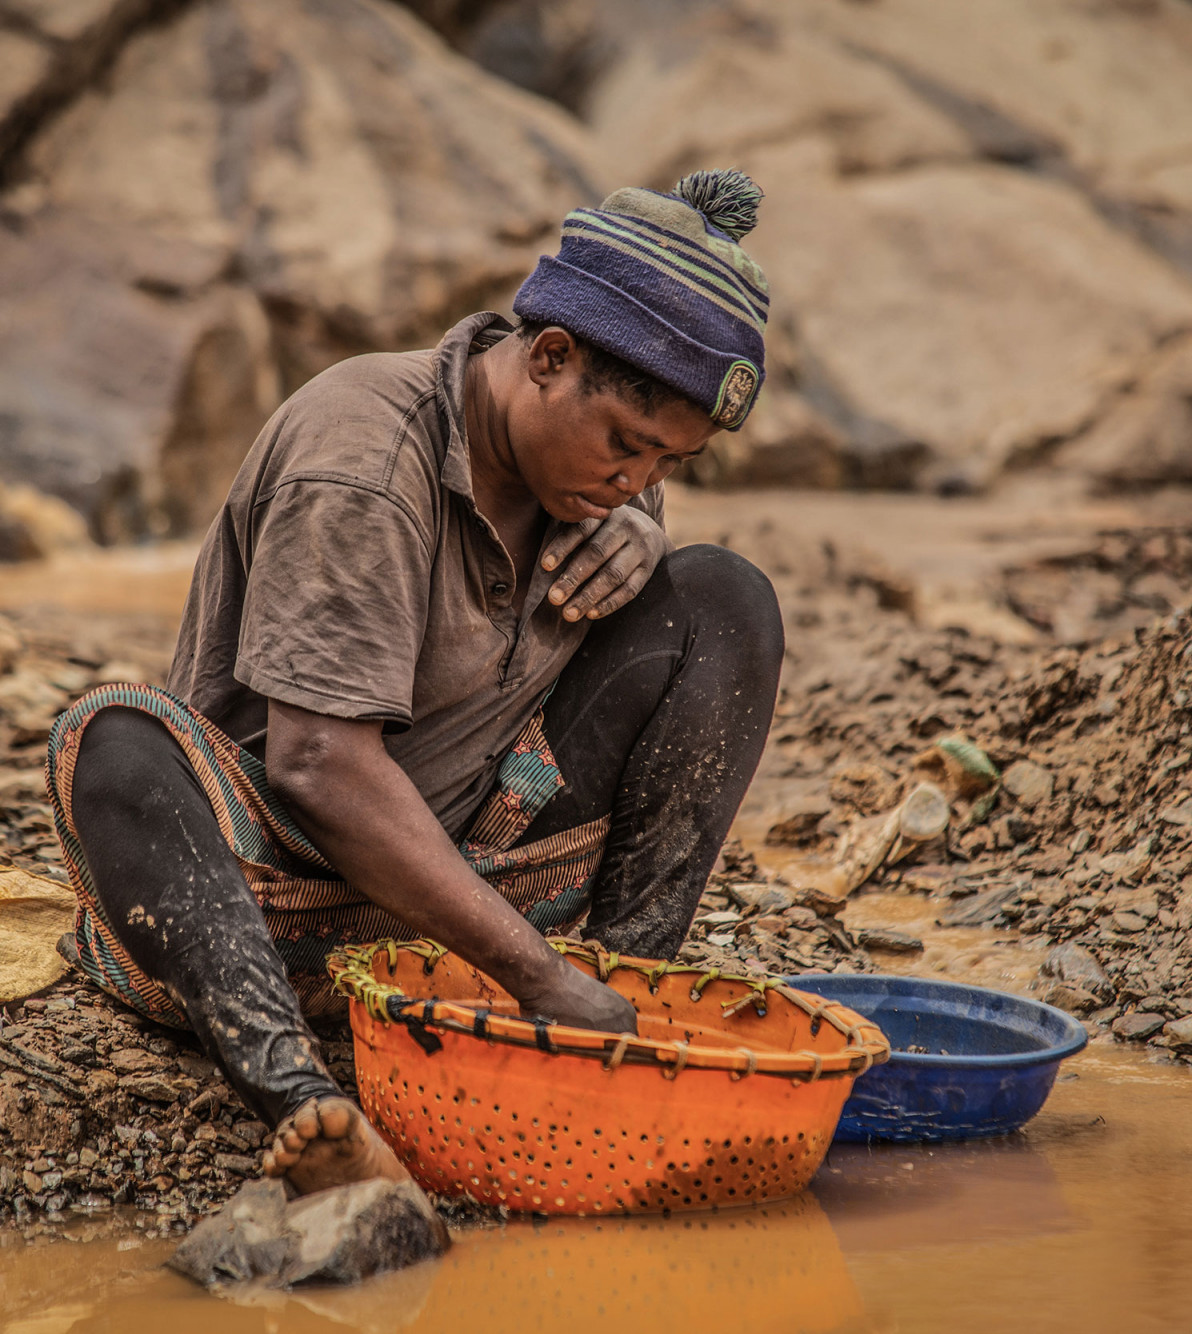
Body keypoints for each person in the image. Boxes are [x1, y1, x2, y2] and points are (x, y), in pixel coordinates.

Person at [46, 170, 783, 1193]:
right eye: (625, 445)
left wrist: (641, 530)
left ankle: (619, 1006)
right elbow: (317, 762)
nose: (637, 478)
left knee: (723, 599)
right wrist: (529, 970)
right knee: (113, 737)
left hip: (484, 862)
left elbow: (638, 526)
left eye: (667, 463)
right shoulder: (360, 458)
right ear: (549, 358)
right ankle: (304, 1097)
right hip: (280, 880)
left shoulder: (582, 480)